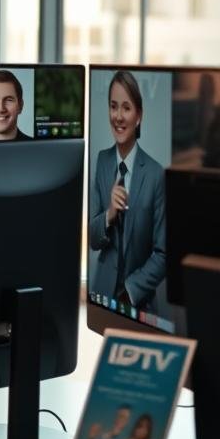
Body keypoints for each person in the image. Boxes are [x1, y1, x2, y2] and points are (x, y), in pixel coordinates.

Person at [88, 70, 166, 311]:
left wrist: (131, 291)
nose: (118, 116)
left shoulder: (155, 174)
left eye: (126, 108)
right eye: (113, 107)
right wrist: (110, 214)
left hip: (137, 304)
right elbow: (92, 238)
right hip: (101, 295)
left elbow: (163, 254)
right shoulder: (102, 161)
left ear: (139, 115)